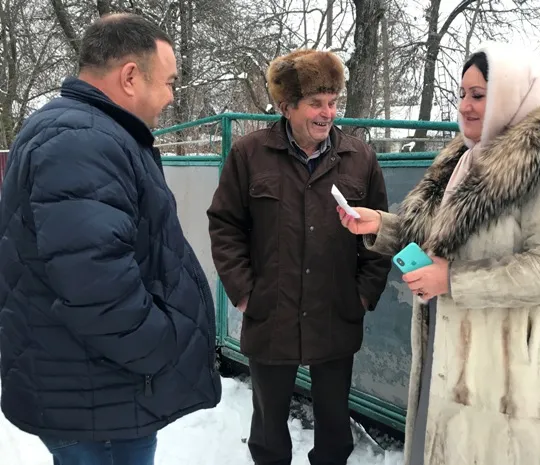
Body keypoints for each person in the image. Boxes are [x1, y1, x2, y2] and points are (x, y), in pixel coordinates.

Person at [338, 42, 540, 465]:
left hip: (501, 374)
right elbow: (435, 238)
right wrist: (379, 225)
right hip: (447, 354)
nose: (465, 106)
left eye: (478, 94)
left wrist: (453, 280)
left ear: (511, 96)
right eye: (462, 93)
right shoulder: (463, 159)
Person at [0, 13, 221, 465]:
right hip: (96, 400)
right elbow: (95, 284)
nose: (171, 96)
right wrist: (162, 344)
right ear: (130, 76)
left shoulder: (85, 131)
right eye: (168, 82)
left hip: (94, 389)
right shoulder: (81, 141)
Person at [207, 49, 392, 465]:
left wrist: (362, 295)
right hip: (271, 312)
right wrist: (245, 293)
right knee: (268, 430)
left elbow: (379, 233)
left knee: (334, 428)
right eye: (315, 103)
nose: (328, 113)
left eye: (332, 102)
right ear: (286, 105)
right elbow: (225, 225)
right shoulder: (250, 154)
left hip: (336, 313)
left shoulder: (359, 158)